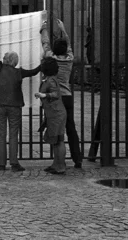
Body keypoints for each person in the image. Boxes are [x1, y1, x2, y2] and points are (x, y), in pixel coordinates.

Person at [0, 25, 41, 172]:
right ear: (15, 61)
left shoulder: (1, 68)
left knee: (1, 135)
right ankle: (14, 163)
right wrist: (44, 63)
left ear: (6, 60)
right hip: (14, 106)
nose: (2, 58)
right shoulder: (19, 72)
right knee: (13, 135)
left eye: (4, 57)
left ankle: (2, 164)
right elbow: (34, 72)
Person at [40, 18, 83, 168]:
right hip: (68, 96)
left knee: (56, 131)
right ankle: (77, 158)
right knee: (71, 128)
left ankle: (58, 162)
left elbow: (45, 45)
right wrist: (63, 30)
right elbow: (68, 44)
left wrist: (43, 29)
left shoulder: (52, 59)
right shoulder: (70, 59)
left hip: (55, 99)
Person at [35, 57, 67, 174]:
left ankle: (61, 166)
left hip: (56, 114)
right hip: (53, 113)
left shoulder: (51, 80)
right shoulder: (49, 79)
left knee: (59, 140)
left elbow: (56, 94)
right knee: (56, 140)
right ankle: (56, 164)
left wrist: (44, 95)